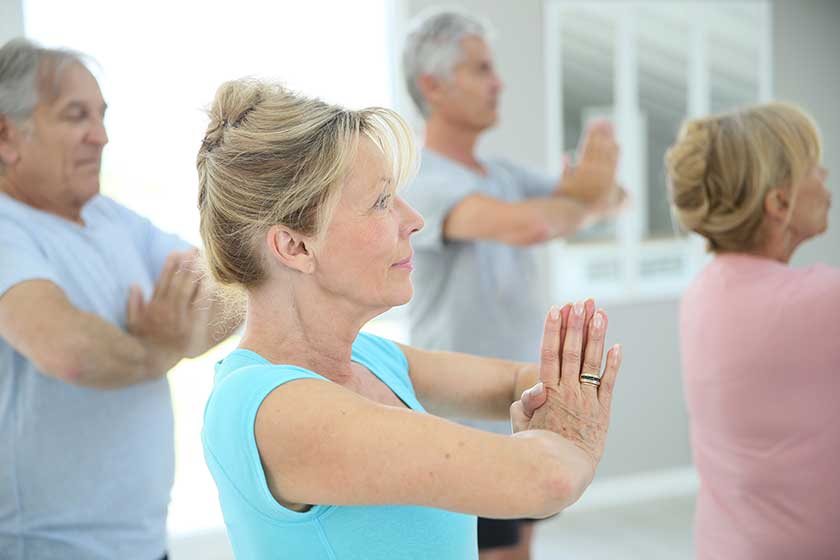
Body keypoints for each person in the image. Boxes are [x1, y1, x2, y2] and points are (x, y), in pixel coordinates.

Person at [197, 78, 623, 560]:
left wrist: (555, 400)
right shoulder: (272, 408)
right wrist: (574, 434)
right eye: (381, 201)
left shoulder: (370, 357)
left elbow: (520, 382)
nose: (414, 218)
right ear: (294, 246)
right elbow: (546, 480)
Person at [0, 39, 239, 560]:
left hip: (144, 545)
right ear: (7, 136)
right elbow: (71, 352)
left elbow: (235, 286)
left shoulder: (110, 219)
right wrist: (162, 350)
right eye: (75, 115)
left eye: (102, 116)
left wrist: (174, 334)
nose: (101, 136)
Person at [401, 10, 625, 558]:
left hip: (521, 407)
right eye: (481, 69)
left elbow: (612, 199)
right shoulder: (422, 178)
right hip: (462, 419)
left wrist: (592, 194)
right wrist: (584, 198)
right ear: (433, 86)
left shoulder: (502, 174)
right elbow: (533, 223)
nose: (498, 82)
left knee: (518, 547)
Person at [667, 102, 840, 559]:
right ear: (779, 202)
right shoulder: (819, 303)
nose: (826, 177)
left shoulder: (701, 293)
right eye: (813, 167)